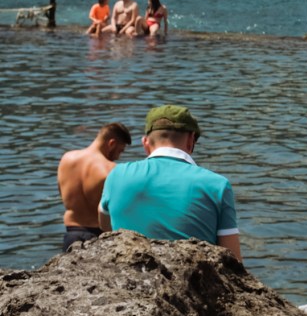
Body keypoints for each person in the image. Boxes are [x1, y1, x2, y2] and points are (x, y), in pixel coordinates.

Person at [99, 104, 242, 262]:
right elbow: (234, 263)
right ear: (191, 140)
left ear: (145, 143)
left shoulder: (116, 175)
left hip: (124, 280)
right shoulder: (218, 185)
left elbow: (106, 228)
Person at [57, 122, 131, 250]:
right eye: (120, 150)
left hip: (71, 233)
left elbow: (62, 193)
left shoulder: (66, 159)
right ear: (111, 143)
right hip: (97, 236)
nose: (118, 156)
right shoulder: (110, 169)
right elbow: (117, 208)